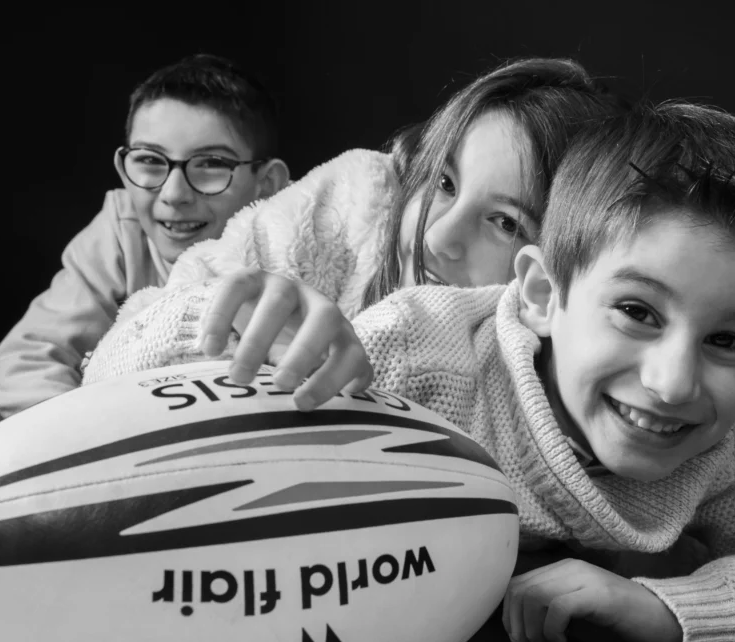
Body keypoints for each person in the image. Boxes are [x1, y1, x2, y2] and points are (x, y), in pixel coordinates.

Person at [86, 99, 735, 642]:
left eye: (728, 339)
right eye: (636, 311)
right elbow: (105, 402)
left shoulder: (730, 445)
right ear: (543, 294)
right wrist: (214, 330)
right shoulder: (418, 352)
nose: (672, 382)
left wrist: (668, 615)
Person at [81, 56, 627, 412]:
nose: (439, 238)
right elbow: (107, 376)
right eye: (443, 182)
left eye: (505, 222)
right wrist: (220, 321)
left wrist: (659, 595)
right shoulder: (339, 210)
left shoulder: (592, 360)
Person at [0, 54, 291, 421]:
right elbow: (31, 357)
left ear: (267, 183)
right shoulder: (123, 228)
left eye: (211, 163)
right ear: (122, 168)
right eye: (149, 160)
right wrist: (86, 442)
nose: (174, 194)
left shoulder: (303, 233)